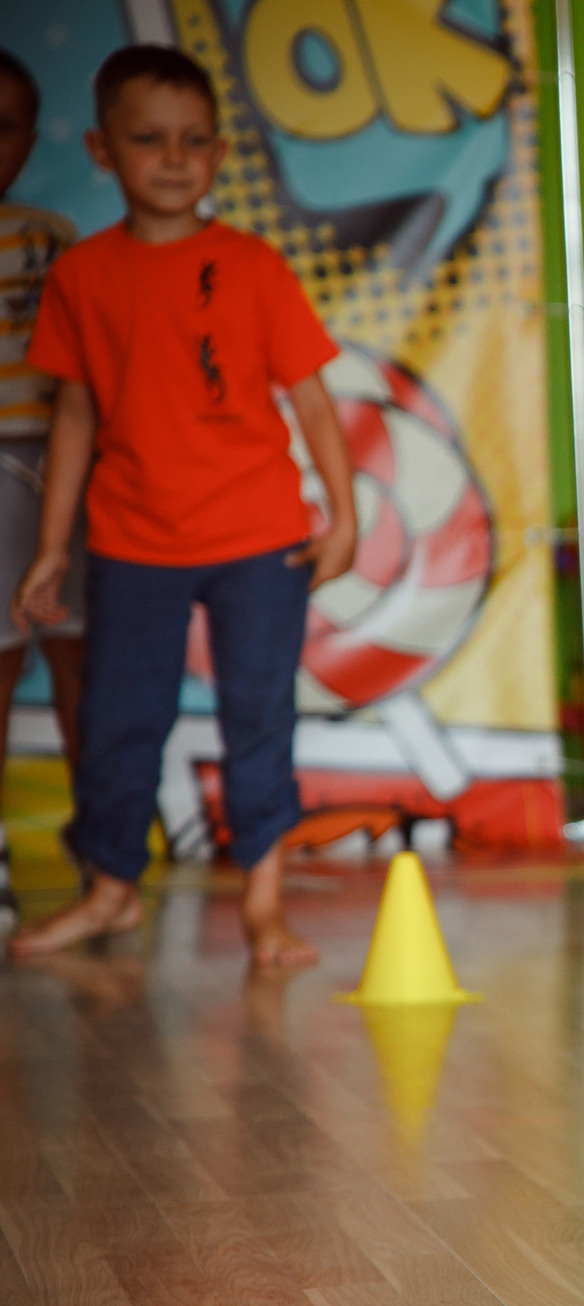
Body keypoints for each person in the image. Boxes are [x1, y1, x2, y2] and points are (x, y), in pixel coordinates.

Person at [8, 45, 357, 966]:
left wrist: (345, 516)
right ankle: (112, 890)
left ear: (219, 154)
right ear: (100, 150)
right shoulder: (84, 276)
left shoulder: (251, 266)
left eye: (194, 141)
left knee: (258, 717)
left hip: (259, 539)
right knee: (123, 719)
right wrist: (52, 548)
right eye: (149, 139)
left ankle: (265, 907)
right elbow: (74, 410)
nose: (173, 159)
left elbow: (312, 400)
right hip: (130, 539)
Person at [0, 50, 85, 931]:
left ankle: (102, 853)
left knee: (78, 661)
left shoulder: (49, 236)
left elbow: (83, 385)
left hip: (55, 465)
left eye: (7, 124)